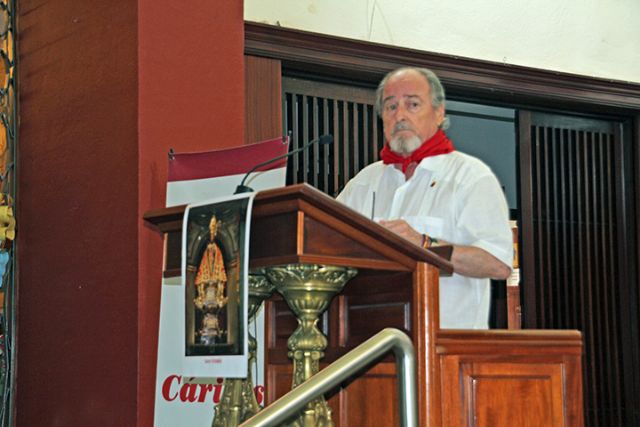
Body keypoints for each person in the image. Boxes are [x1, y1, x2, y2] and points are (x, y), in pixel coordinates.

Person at [337, 67, 512, 329]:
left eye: (413, 104)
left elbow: (498, 263)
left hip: (446, 351)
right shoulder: (362, 183)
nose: (400, 115)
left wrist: (424, 244)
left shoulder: (470, 177)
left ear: (439, 113)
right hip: (369, 348)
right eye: (391, 107)